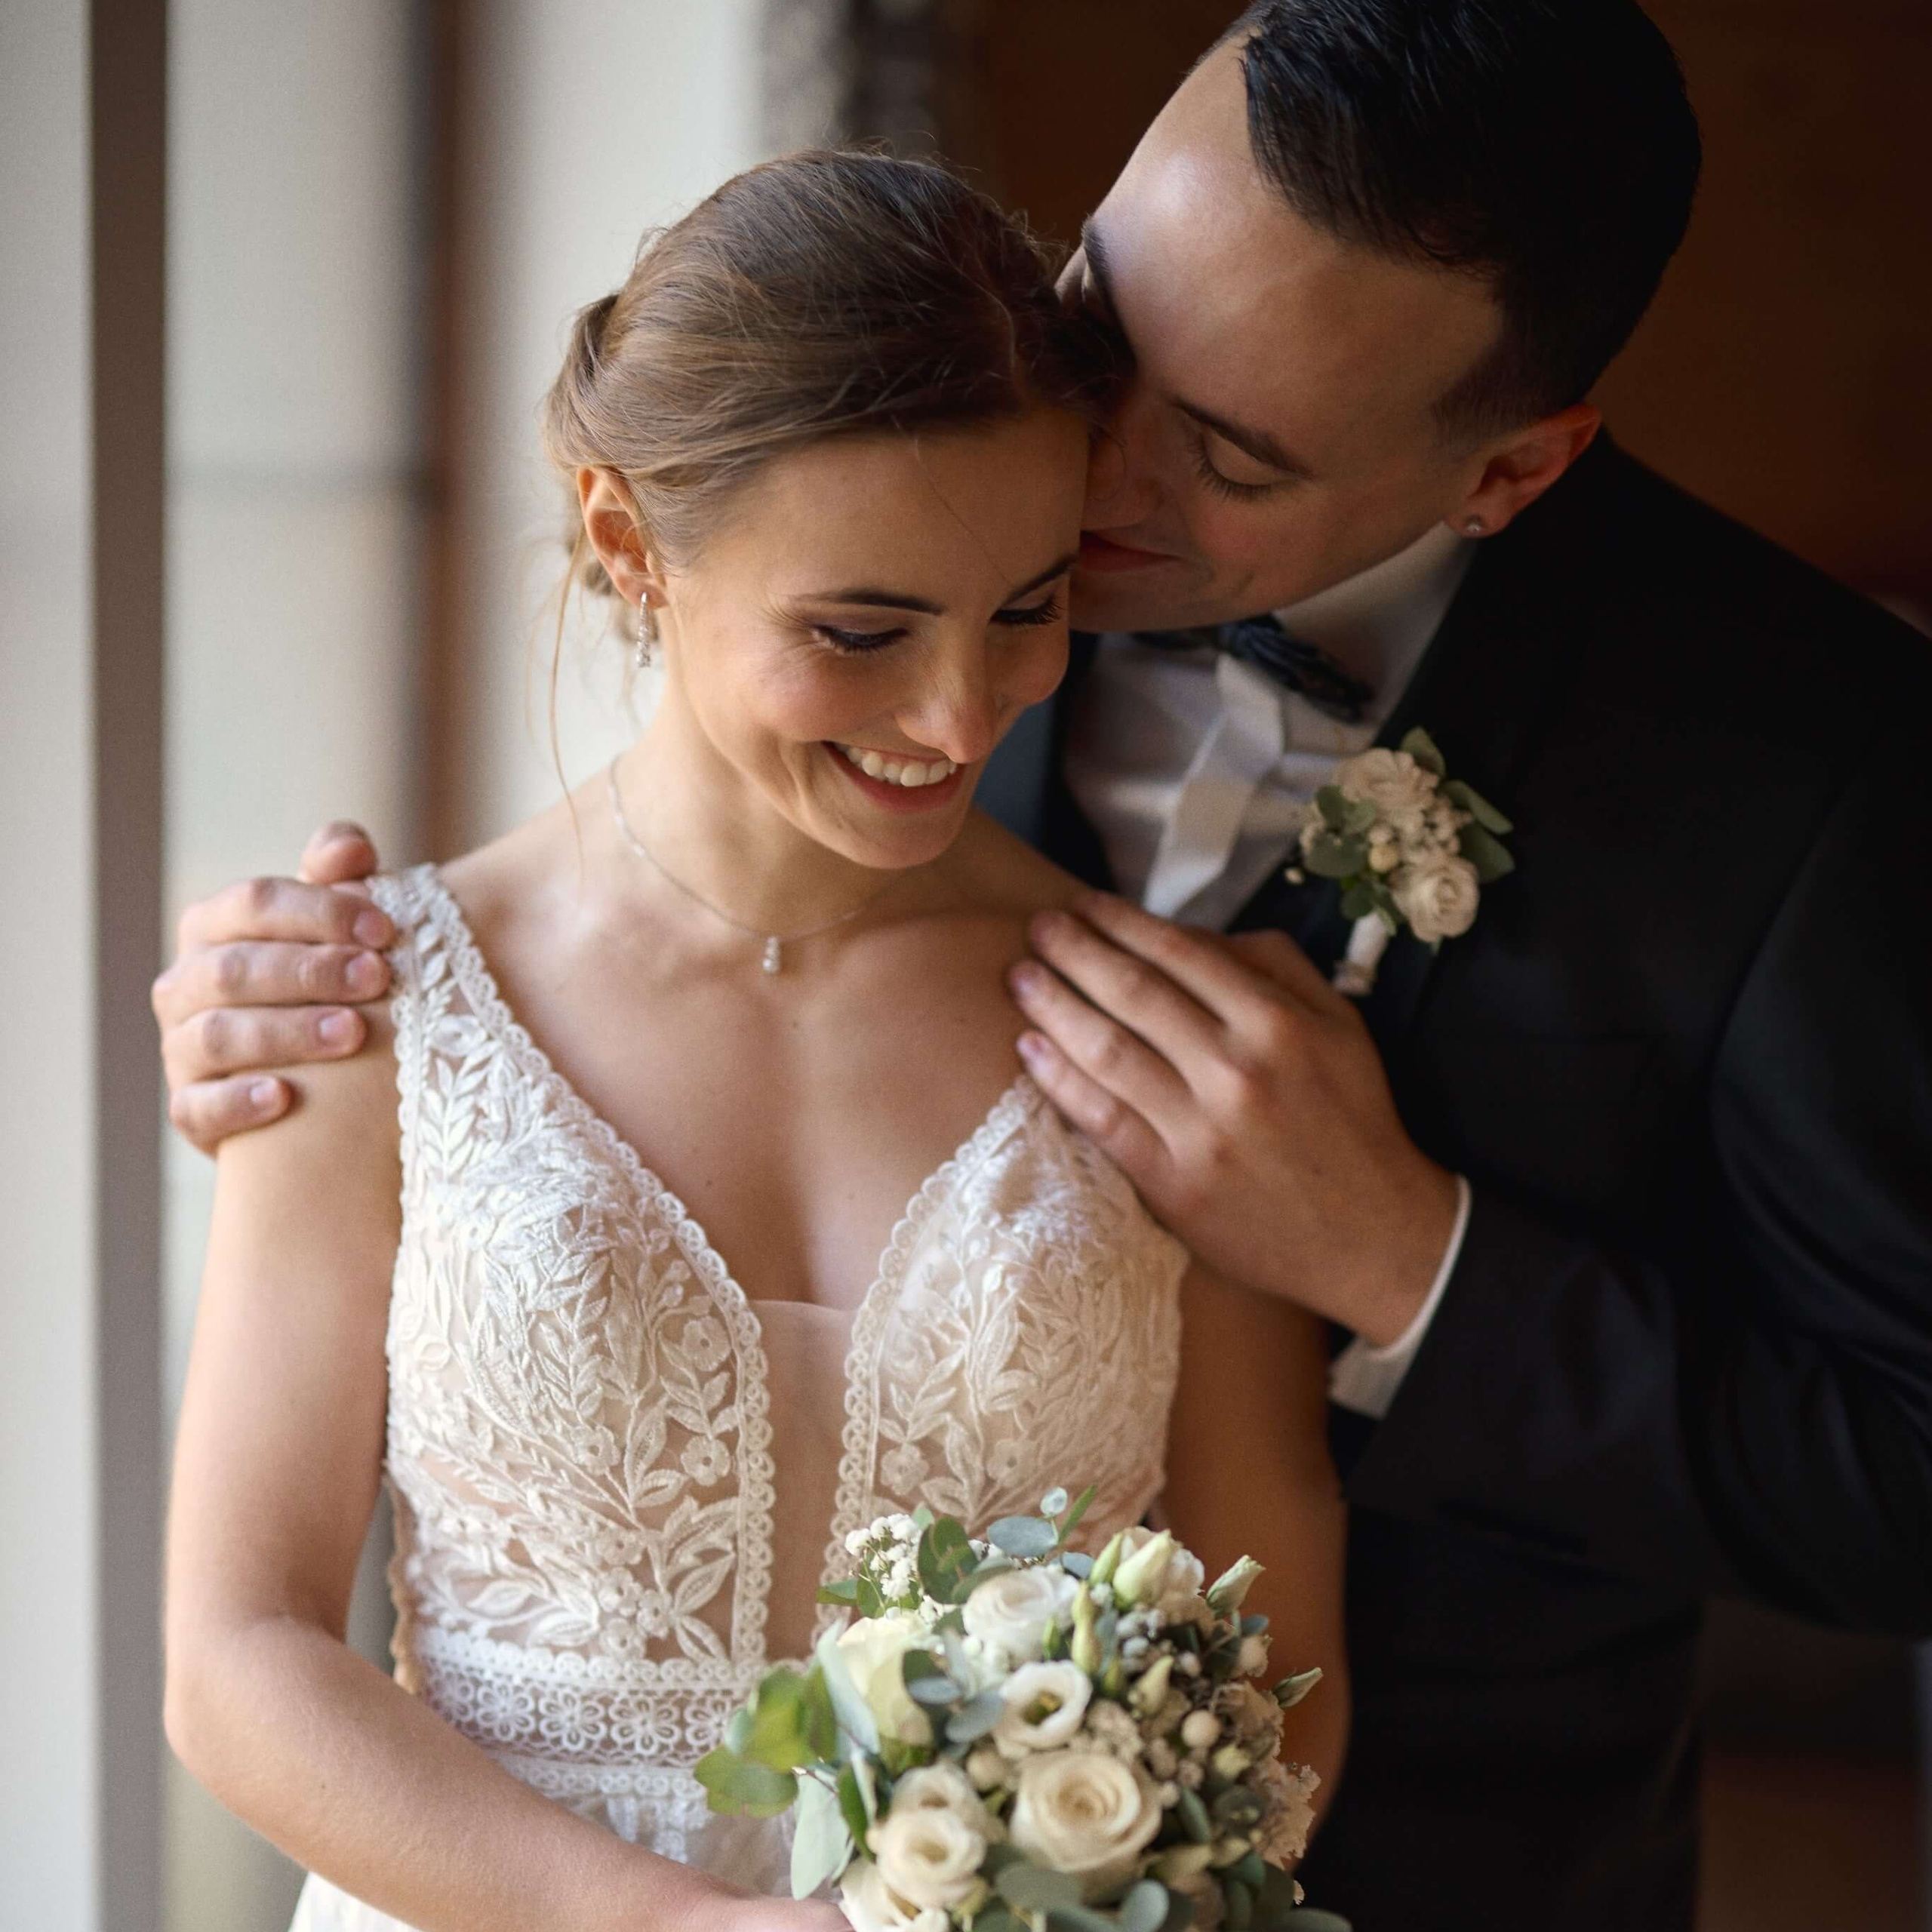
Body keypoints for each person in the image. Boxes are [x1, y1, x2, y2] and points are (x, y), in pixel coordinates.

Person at [154, 3, 1932, 1928]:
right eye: (1101, 317)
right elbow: (245, 1632)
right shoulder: (934, 478)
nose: (1073, 480)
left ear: (1504, 475)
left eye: (1225, 452)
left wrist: (1400, 1254)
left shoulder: (1813, 768)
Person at [161, 150, 1350, 1932]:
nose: (960, 710)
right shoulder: (367, 1005)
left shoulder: (1170, 1038)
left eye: (1026, 604)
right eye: (858, 628)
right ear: (627, 536)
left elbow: (1278, 1666)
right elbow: (236, 1652)